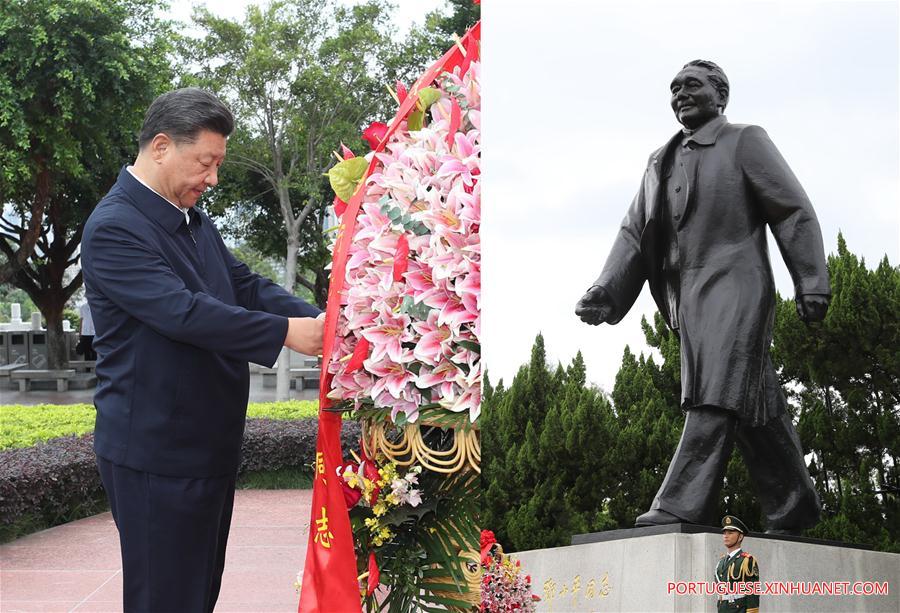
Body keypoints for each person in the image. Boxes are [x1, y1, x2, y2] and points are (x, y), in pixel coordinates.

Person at [81, 88, 324, 612]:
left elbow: (242, 283)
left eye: (217, 163)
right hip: (156, 450)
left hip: (204, 441)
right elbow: (182, 312)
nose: (212, 178)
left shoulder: (190, 219)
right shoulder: (115, 227)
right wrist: (285, 332)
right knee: (163, 599)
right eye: (206, 162)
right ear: (163, 146)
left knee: (195, 593)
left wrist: (321, 318)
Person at [575, 60, 829, 534]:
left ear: (721, 95)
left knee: (714, 390)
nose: (679, 95)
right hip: (686, 296)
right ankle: (794, 499)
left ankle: (682, 503)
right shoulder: (659, 159)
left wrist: (811, 280)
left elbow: (792, 210)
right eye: (673, 89)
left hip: (737, 283)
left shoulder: (744, 140)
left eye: (691, 85)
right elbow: (635, 232)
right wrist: (606, 291)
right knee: (751, 397)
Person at [716, 515, 760, 613]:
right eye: (724, 533)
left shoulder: (747, 560)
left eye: (730, 533)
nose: (726, 536)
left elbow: (752, 592)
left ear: (740, 537)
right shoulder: (721, 561)